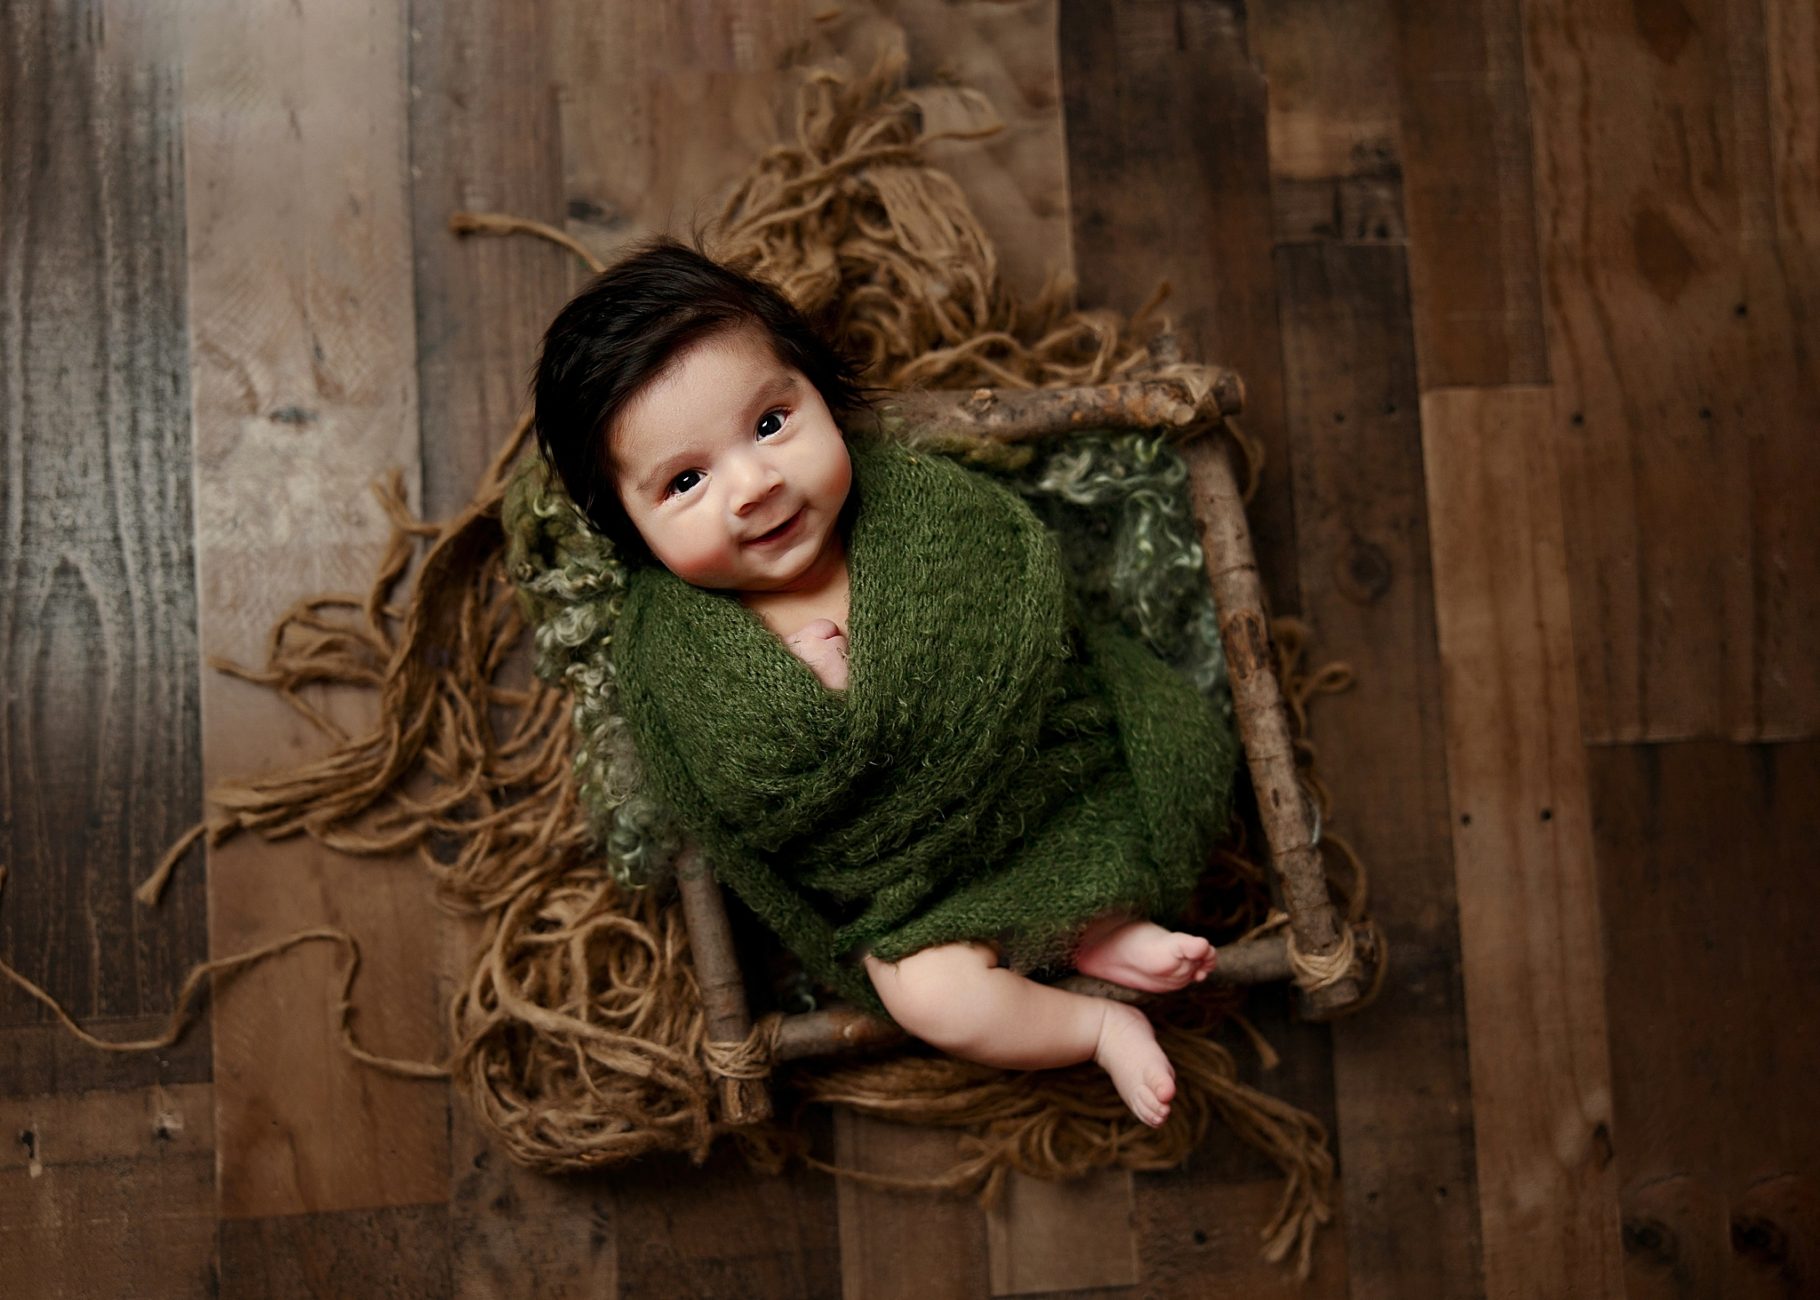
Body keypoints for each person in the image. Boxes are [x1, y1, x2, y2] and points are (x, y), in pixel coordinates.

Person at [531, 238, 1236, 1128]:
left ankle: (1093, 927)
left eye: (770, 424)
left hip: (1049, 788)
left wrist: (909, 666)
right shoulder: (681, 648)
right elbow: (736, 788)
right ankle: (1093, 1024)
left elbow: (1023, 608)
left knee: (1150, 789)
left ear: (821, 391)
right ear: (630, 533)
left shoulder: (918, 509)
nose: (751, 485)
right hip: (919, 892)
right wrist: (816, 710)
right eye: (685, 480)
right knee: (929, 995)